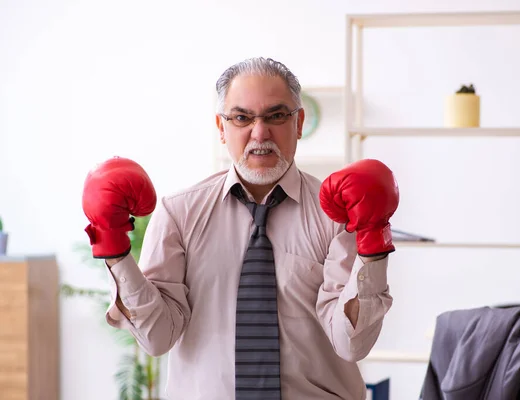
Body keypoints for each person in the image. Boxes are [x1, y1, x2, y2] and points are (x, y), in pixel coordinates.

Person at [81, 57, 399, 400]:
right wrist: (113, 250)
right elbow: (158, 338)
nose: (260, 133)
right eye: (242, 117)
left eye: (277, 116)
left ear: (299, 122)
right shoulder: (179, 214)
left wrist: (373, 242)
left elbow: (350, 343)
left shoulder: (337, 216)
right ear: (221, 127)